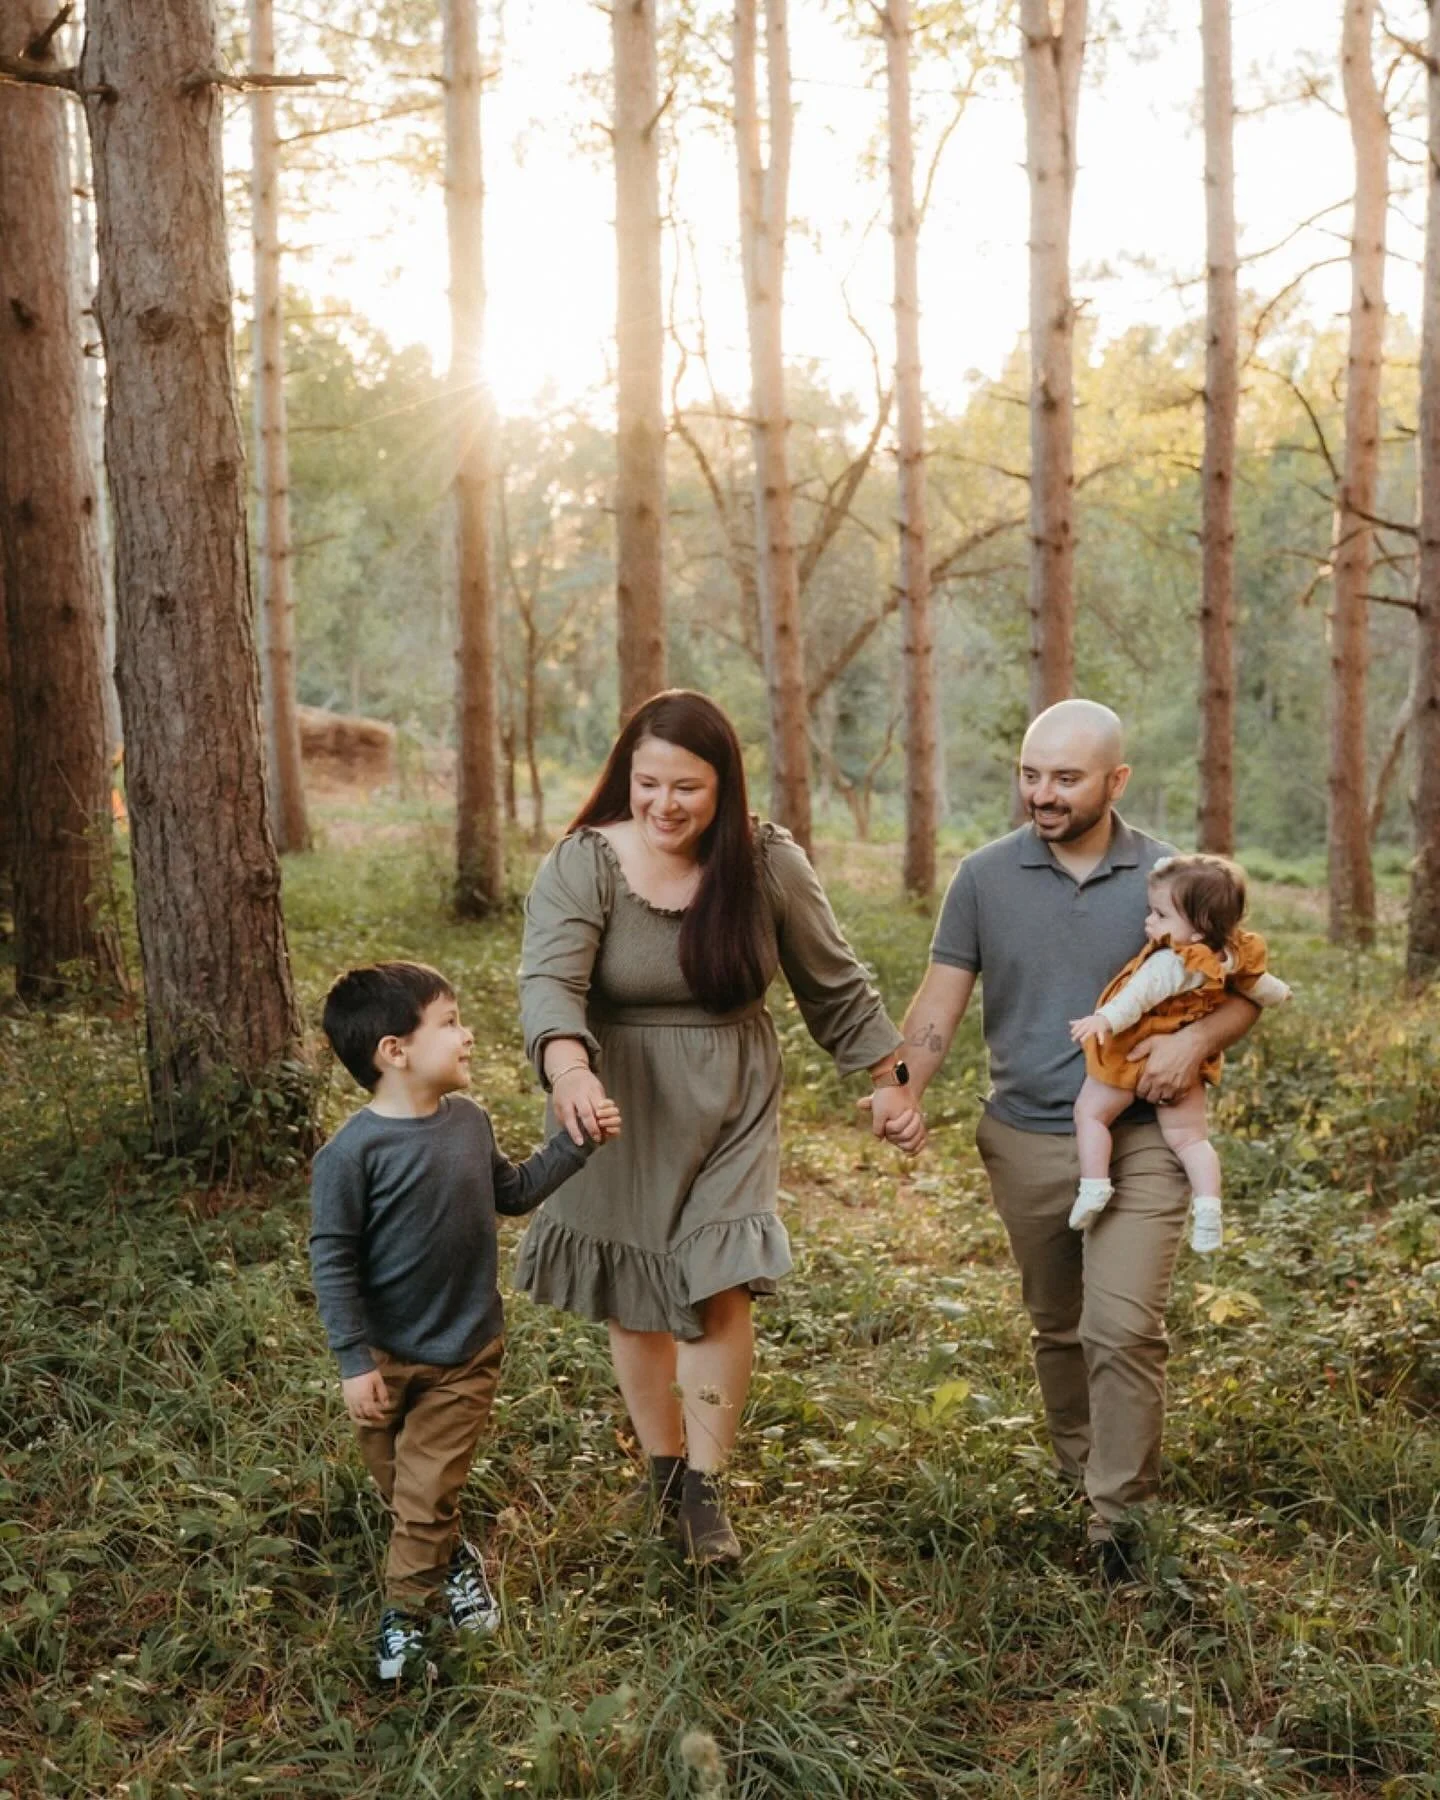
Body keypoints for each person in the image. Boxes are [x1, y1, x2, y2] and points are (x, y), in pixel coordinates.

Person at [868, 700, 1265, 1582]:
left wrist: (1197, 1040)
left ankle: (1117, 1523)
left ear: (1116, 781)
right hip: (1028, 1136)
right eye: (1030, 773)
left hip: (1149, 1134)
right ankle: (1078, 1472)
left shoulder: (1171, 877)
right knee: (1060, 1327)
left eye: (1066, 778)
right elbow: (941, 999)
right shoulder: (983, 876)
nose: (1042, 794)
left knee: (1121, 1327)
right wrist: (903, 1089)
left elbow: (1246, 986)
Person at [515, 690, 914, 1567]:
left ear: (724, 785)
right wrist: (569, 1068)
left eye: (686, 786)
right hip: (613, 1092)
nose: (664, 804)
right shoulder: (585, 862)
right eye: (648, 782)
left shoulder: (768, 863)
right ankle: (661, 1470)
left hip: (731, 1092)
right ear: (628, 777)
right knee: (635, 1282)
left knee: (719, 1278)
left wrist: (893, 1081)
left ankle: (705, 1494)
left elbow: (835, 985)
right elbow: (549, 984)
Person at [309, 960, 619, 1681]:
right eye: (449, 1023)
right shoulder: (349, 1156)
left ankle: (403, 1624)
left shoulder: (469, 1124)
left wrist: (577, 1146)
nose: (468, 1034)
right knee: (405, 1490)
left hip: (464, 1351)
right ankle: (451, 1560)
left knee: (422, 1494)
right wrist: (354, 1360)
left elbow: (511, 1192)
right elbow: (333, 1261)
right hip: (383, 1360)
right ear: (396, 1051)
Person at [1069, 854, 1291, 1253]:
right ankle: (1208, 1210)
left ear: (1198, 927)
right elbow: (1260, 985)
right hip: (1187, 1066)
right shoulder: (1233, 955)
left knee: (1090, 1113)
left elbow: (1135, 998)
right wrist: (1281, 994)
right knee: (1190, 1140)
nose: (1149, 923)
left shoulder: (1171, 962)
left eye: (1159, 915)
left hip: (1131, 1052)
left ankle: (1094, 1185)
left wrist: (1102, 1020)